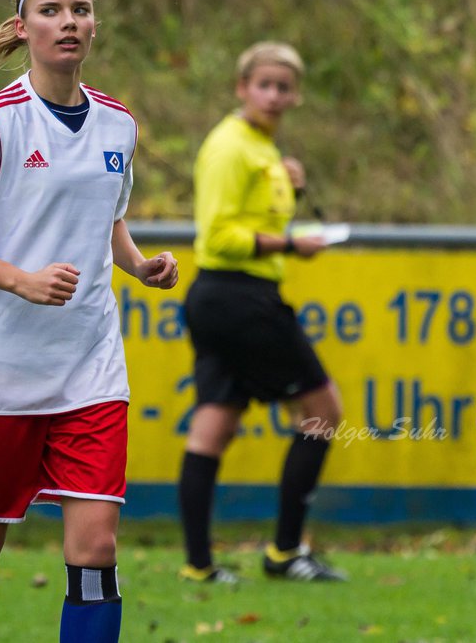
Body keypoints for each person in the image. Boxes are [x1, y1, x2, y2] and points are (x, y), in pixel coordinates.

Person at [0, 0, 179, 643]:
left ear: (95, 26)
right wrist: (18, 279)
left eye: (80, 9)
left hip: (89, 368)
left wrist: (139, 266)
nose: (68, 22)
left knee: (95, 553)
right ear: (22, 27)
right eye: (51, 10)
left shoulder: (118, 123)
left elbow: (107, 216)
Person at [177, 41, 346, 585]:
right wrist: (291, 246)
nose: (273, 96)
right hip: (239, 296)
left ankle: (199, 566)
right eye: (263, 84)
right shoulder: (231, 147)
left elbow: (253, 218)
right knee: (322, 412)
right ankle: (284, 552)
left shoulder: (262, 148)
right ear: (241, 88)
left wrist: (292, 195)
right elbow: (219, 236)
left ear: (295, 96)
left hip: (221, 298)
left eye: (283, 87)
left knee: (213, 426)